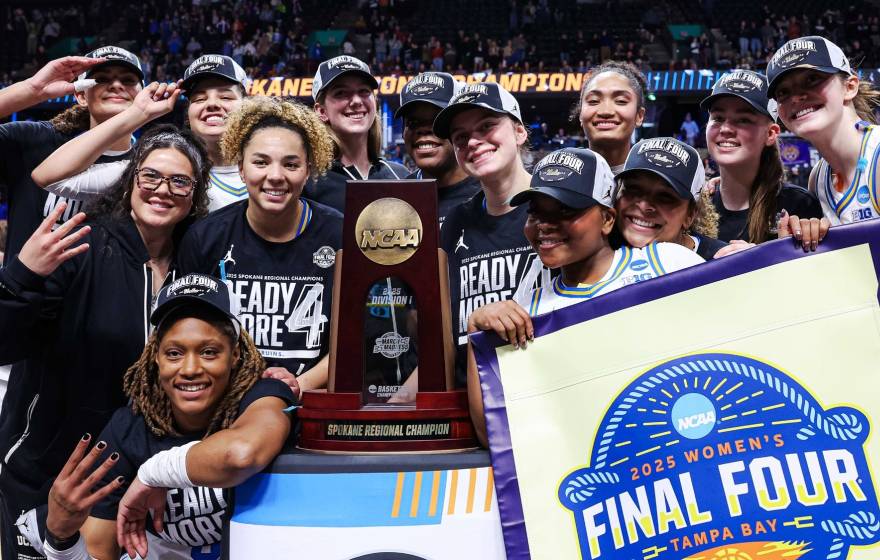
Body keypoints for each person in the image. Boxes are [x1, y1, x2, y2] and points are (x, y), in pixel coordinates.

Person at [0, 126, 210, 560]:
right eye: (150, 176)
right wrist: (20, 276)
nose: (162, 190)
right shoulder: (83, 243)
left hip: (136, 480)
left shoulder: (194, 264)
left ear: (195, 194)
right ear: (131, 180)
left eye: (179, 181)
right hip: (48, 470)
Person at [18, 274, 293, 559]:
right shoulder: (129, 430)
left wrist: (152, 474)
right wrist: (61, 539)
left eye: (209, 352)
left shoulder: (262, 395)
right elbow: (98, 553)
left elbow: (240, 454)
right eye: (174, 353)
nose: (189, 369)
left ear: (235, 355)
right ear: (156, 358)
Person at [464, 148, 704, 445]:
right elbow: (496, 437)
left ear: (607, 219)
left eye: (565, 210)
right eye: (535, 212)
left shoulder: (666, 263)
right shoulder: (529, 308)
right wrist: (476, 335)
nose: (545, 224)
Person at [177, 97, 339, 392]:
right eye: (260, 162)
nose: (275, 176)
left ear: (308, 170)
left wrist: (300, 385)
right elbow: (187, 334)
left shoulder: (339, 235)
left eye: (291, 164)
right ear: (241, 168)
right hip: (225, 400)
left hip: (315, 400)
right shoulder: (206, 238)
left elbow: (357, 335)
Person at [432, 82, 551, 388]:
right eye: (460, 137)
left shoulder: (555, 208)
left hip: (542, 388)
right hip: (470, 394)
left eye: (487, 126)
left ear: (519, 132)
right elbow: (446, 332)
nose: (473, 141)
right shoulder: (456, 220)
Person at [31, 55, 250, 213]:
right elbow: (48, 177)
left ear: (247, 104)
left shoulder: (273, 167)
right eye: (199, 99)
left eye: (226, 97)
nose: (212, 104)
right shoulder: (162, 167)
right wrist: (138, 113)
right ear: (188, 112)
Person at [0, 46, 143, 258]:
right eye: (102, 78)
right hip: (29, 288)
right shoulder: (36, 141)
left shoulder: (153, 162)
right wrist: (32, 90)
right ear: (81, 96)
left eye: (128, 80)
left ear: (143, 93)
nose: (115, 85)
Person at [767, 35, 880, 246]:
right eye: (783, 92)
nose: (796, 97)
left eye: (812, 80)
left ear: (850, 86)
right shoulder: (817, 178)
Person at [701, 69, 822, 247]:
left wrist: (761, 258)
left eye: (743, 120)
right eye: (718, 118)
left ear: (771, 134)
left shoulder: (797, 206)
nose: (726, 129)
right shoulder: (695, 206)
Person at [303, 55, 408, 213]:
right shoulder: (308, 181)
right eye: (341, 93)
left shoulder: (401, 175)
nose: (357, 101)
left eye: (364, 91)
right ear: (321, 111)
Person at [615, 137, 728, 261]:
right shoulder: (598, 250)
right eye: (633, 189)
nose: (644, 206)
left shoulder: (722, 262)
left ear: (690, 214)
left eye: (665, 197)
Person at [396, 72, 480, 224]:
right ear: (403, 132)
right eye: (413, 123)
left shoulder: (491, 190)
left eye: (436, 121)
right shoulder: (396, 197)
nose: (424, 130)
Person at [570, 61, 647, 174]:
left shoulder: (658, 182)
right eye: (594, 101)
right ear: (581, 115)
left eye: (620, 101)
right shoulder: (554, 180)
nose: (606, 111)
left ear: (639, 116)